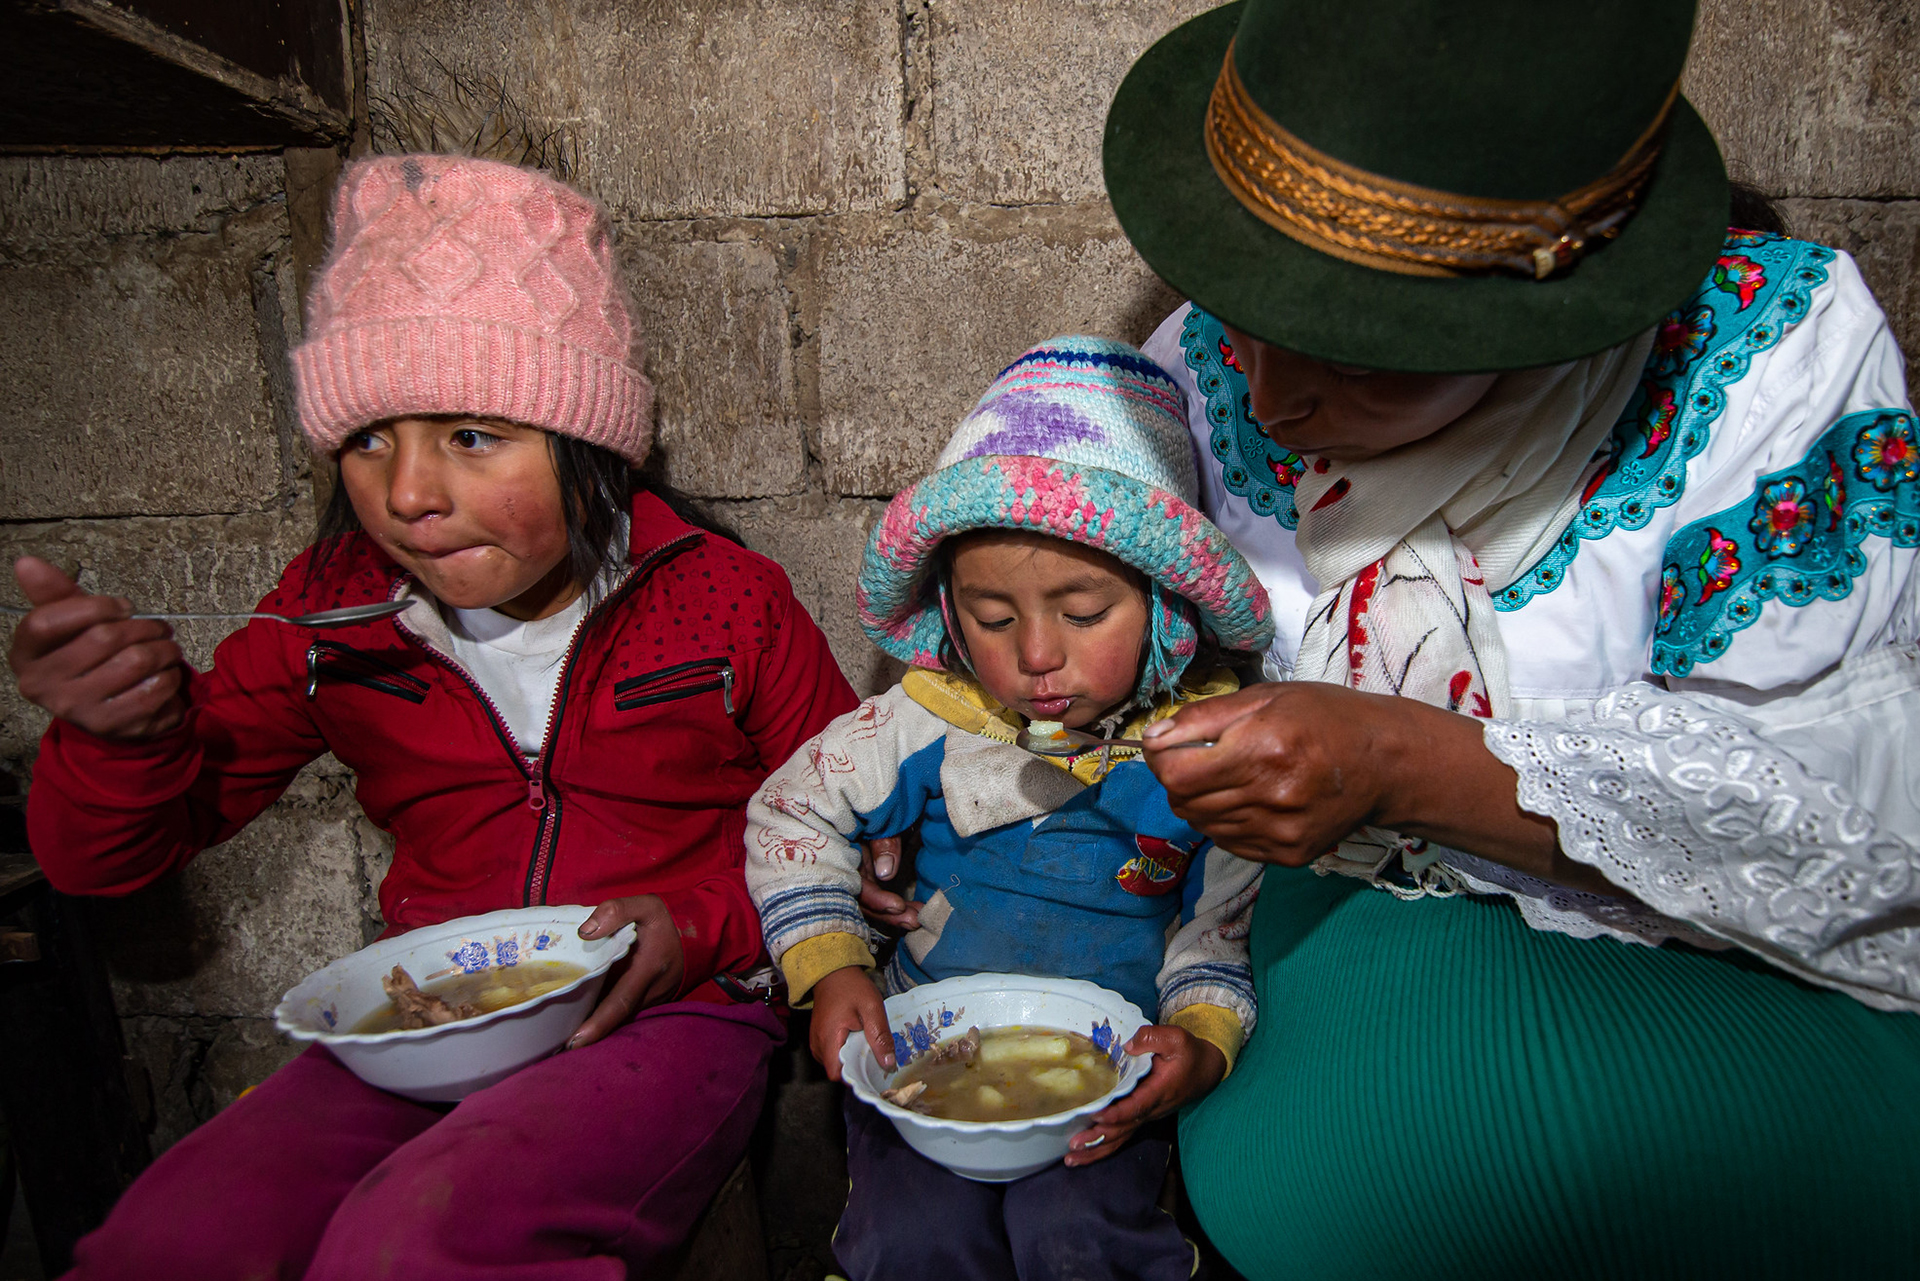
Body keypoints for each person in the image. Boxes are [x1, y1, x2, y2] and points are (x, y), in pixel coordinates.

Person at [1043, 0, 1920, 1273]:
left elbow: (1853, 819)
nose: (1275, 399)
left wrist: (1417, 765)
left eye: (1368, 358)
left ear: (1556, 312)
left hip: (1734, 976)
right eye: (1245, 311)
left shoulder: (1771, 356)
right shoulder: (1197, 373)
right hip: (1342, 968)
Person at [7, 153, 858, 1279]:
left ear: (586, 444)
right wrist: (117, 743)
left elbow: (850, 824)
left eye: (469, 436)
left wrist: (699, 924)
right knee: (174, 1240)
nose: (407, 494)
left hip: (668, 1019)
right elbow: (106, 866)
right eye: (369, 439)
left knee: (419, 1244)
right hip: (429, 1022)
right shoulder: (332, 617)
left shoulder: (721, 600)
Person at [743, 337, 1275, 1280]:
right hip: (918, 1052)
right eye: (993, 618)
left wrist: (1195, 1045)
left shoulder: (1207, 758)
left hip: (1106, 1075)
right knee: (909, 1245)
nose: (1036, 654)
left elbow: (1215, 931)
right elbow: (792, 814)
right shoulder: (921, 721)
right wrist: (829, 966)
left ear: (1167, 615)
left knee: (1076, 1247)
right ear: (950, 615)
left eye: (1081, 614)